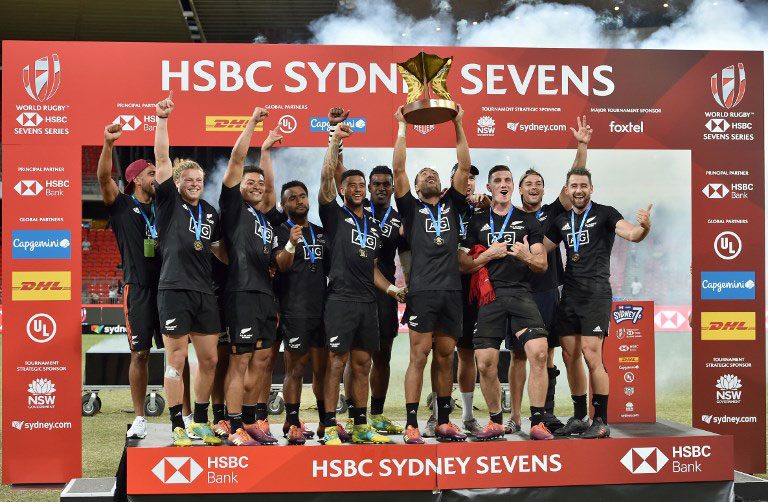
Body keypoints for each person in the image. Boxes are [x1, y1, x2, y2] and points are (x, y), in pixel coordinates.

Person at [543, 166, 652, 439]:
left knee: (592, 355)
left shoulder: (606, 213)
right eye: (574, 186)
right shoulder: (561, 221)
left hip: (595, 295)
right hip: (569, 295)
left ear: (591, 189)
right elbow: (539, 249)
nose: (579, 190)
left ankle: (600, 420)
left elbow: (632, 234)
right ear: (567, 190)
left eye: (583, 186)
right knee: (570, 357)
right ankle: (580, 417)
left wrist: (645, 227)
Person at [317, 123, 406, 446]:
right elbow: (328, 175)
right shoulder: (333, 214)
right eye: (351, 184)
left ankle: (359, 423)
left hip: (369, 301)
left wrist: (392, 290)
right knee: (336, 362)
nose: (357, 188)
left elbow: (372, 268)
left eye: (360, 185)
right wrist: (335, 141)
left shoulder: (371, 222)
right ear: (342, 190)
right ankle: (328, 426)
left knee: (362, 363)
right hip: (340, 300)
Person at [505, 116, 591, 434]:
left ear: (543, 189)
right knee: (517, 357)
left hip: (546, 292)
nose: (534, 187)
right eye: (528, 184)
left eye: (538, 184)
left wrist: (581, 145)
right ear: (520, 190)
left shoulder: (553, 212)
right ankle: (514, 416)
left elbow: (574, 183)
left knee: (548, 354)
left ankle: (546, 414)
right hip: (516, 294)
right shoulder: (508, 216)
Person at [393, 103, 472, 444]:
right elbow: (398, 169)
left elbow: (465, 165)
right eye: (423, 174)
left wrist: (458, 124)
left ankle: (442, 420)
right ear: (416, 184)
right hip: (423, 292)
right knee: (419, 356)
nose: (429, 175)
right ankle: (412, 423)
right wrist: (401, 127)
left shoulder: (453, 204)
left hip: (451, 293)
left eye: (434, 174)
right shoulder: (410, 208)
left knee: (445, 358)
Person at [459, 165, 555, 441]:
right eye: (497, 181)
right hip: (490, 297)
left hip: (521, 294)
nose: (503, 184)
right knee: (485, 361)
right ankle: (495, 422)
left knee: (538, 352)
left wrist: (526, 256)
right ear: (489, 188)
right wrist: (487, 255)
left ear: (513, 187)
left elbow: (542, 263)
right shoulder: (477, 222)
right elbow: (463, 264)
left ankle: (537, 422)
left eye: (507, 180)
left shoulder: (529, 221)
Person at [153, 92, 227, 446]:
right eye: (189, 180)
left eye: (199, 179)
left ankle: (199, 420)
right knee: (176, 359)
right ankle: (176, 423)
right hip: (174, 290)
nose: (195, 183)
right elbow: (163, 157)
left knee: (210, 359)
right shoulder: (168, 202)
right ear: (178, 183)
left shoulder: (210, 213)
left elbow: (219, 252)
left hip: (204, 293)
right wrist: (163, 120)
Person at [218, 106, 287, 446]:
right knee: (240, 361)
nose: (258, 186)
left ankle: (250, 420)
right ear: (238, 185)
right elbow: (235, 158)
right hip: (241, 294)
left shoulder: (263, 219)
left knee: (262, 361)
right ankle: (233, 427)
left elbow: (271, 191)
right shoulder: (232, 209)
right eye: (251, 181)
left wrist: (266, 154)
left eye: (259, 182)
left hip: (264, 294)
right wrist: (252, 124)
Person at [97, 123, 162, 440]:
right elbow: (103, 180)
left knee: (180, 354)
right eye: (151, 173)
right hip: (137, 289)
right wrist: (108, 145)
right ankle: (139, 417)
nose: (156, 178)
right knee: (140, 354)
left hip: (169, 289)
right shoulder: (122, 205)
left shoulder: (165, 208)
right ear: (136, 179)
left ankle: (188, 414)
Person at [273, 180, 328, 442]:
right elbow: (281, 266)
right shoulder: (281, 231)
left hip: (322, 310)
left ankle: (325, 423)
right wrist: (291, 244)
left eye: (303, 196)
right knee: (295, 369)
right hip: (294, 310)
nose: (299, 201)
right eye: (292, 198)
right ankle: (292, 422)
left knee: (323, 370)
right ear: (284, 206)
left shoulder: (320, 232)